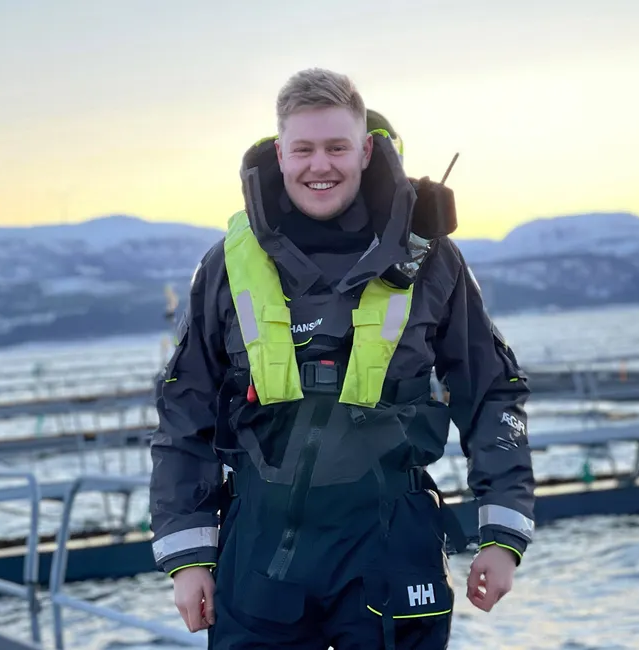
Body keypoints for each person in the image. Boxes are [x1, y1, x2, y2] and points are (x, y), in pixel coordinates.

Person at [149, 67, 536, 649]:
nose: (319, 165)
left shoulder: (434, 260)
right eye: (303, 149)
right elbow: (185, 410)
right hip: (259, 552)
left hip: (393, 543)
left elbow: (493, 395)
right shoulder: (225, 267)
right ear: (280, 154)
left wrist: (502, 533)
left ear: (366, 150)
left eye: (337, 147)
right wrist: (189, 556)